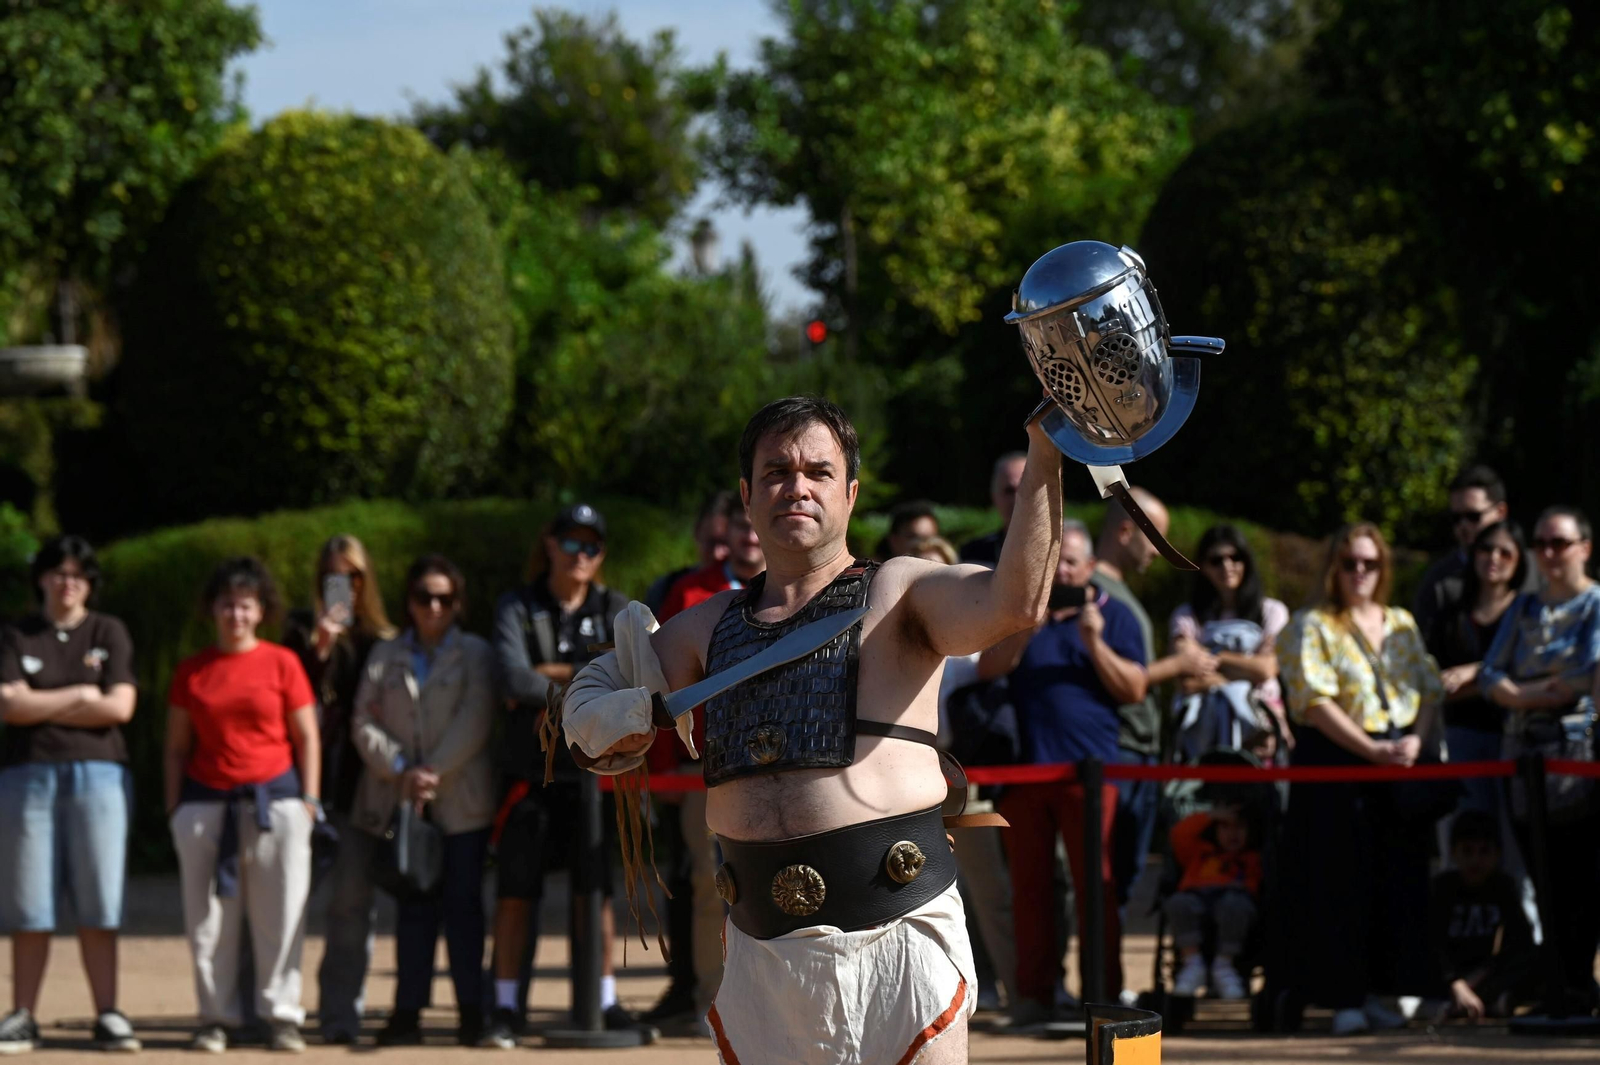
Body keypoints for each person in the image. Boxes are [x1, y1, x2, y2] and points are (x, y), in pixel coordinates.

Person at [561, 395, 1063, 1064]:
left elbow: (1016, 600)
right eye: (776, 471)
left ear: (851, 493)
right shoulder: (705, 626)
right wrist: (612, 721)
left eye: (817, 471)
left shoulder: (902, 592)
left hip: (898, 948)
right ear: (746, 496)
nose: (796, 485)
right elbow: (589, 700)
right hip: (760, 963)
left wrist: (1048, 450)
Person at [1274, 523, 1444, 1035]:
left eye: (1370, 563)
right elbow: (1313, 700)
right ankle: (1340, 995)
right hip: (1338, 765)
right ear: (1333, 568)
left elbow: (1429, 687)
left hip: (1398, 767)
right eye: (1350, 563)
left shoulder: (1402, 622)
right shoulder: (1311, 625)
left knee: (1398, 881)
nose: (1360, 573)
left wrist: (1414, 739)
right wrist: (1370, 749)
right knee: (1337, 885)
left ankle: (1385, 989)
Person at [484, 507, 635, 1048]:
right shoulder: (517, 605)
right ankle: (504, 1006)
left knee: (594, 892)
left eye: (592, 546)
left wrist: (551, 679)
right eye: (571, 543)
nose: (581, 556)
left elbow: (628, 675)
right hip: (529, 773)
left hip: (594, 776)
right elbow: (511, 677)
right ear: (549, 545)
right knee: (515, 892)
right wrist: (586, 683)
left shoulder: (614, 607)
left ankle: (603, 1001)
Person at [986, 520, 1147, 1017]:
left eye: (1072, 562)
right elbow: (987, 668)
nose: (1063, 572)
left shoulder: (1115, 616)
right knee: (1030, 889)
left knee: (1094, 887)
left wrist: (1095, 643)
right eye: (1055, 562)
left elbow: (1135, 689)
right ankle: (1034, 994)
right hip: (1024, 775)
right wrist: (1025, 630)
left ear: (1091, 567)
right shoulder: (1021, 615)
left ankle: (1104, 992)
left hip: (1091, 776)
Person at [165, 557, 319, 1054]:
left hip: (276, 803)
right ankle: (215, 1017)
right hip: (206, 806)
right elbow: (175, 747)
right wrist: (175, 810)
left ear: (261, 611)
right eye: (227, 604)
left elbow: (307, 736)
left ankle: (282, 1016)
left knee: (282, 915)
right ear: (213, 609)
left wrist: (310, 801)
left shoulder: (282, 663)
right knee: (209, 921)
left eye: (245, 605)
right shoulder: (193, 670)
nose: (236, 614)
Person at [0, 537, 140, 1055]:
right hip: (28, 774)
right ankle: (22, 1014)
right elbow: (8, 705)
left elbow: (121, 707)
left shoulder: (109, 631)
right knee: (28, 899)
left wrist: (41, 703)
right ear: (41, 578)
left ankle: (108, 1011)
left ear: (89, 583)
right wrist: (83, 695)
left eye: (78, 574)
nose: (68, 582)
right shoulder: (16, 633)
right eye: (58, 572)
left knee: (100, 897)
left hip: (99, 776)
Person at [644, 496, 766, 1031]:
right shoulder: (690, 593)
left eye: (752, 526)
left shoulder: (806, 592)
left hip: (781, 765)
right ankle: (710, 1002)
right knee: (706, 884)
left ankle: (771, 1003)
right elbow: (662, 686)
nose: (748, 535)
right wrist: (665, 766)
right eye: (739, 525)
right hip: (704, 767)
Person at [1478, 505, 1600, 1006]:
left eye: (1561, 543)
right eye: (1541, 543)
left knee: (1581, 874)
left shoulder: (1595, 604)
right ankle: (1557, 981)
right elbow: (1489, 676)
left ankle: (1576, 979)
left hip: (1577, 755)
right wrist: (1536, 693)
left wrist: (1521, 687)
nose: (1549, 553)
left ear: (1585, 548)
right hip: (1524, 757)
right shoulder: (1524, 609)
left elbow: (1589, 675)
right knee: (1539, 872)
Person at [279, 535, 396, 1045]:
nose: (342, 585)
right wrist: (317, 651)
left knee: (350, 906)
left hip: (353, 790)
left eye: (352, 576)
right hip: (291, 785)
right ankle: (265, 1009)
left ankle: (340, 1013)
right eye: (332, 575)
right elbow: (283, 704)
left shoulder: (382, 639)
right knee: (279, 905)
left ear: (365, 580)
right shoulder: (296, 634)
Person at [1092, 488, 1213, 904]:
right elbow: (1110, 678)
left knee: (1122, 882)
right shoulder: (1094, 592)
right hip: (1116, 755)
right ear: (1126, 531)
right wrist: (1177, 666)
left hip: (1136, 757)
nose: (1161, 553)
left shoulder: (1116, 592)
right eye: (1156, 539)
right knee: (1107, 884)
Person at [1424, 521, 1525, 815]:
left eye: (1505, 552)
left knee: (1514, 835)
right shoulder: (1451, 613)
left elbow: (1529, 672)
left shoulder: (1529, 610)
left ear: (1519, 560)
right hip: (1461, 738)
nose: (1493, 558)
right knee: (1467, 829)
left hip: (1516, 736)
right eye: (1485, 549)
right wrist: (1497, 683)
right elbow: (1437, 684)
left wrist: (1477, 672)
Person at [1168, 524, 1290, 761]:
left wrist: (1218, 658)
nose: (1227, 566)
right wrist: (1246, 668)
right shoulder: (1186, 616)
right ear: (1202, 566)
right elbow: (1187, 681)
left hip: (1259, 731)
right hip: (1202, 739)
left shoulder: (1272, 612)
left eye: (1235, 557)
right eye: (1216, 560)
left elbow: (1266, 669)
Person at [1428, 810, 1535, 1022]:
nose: (1475, 860)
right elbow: (1432, 943)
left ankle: (1485, 1001)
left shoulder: (1502, 886)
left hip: (1484, 974)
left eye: (1484, 852)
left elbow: (1520, 941)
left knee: (1539, 957)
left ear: (1497, 855)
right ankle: (1471, 1002)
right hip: (1446, 975)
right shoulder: (1442, 889)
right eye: (1467, 851)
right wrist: (1455, 982)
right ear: (1453, 853)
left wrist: (1484, 971)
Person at [1413, 466, 1533, 637]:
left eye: (1473, 516)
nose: (1463, 526)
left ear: (1500, 512)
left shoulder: (1538, 572)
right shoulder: (1438, 584)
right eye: (1456, 518)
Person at [1165, 802, 1263, 1000]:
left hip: (1233, 901)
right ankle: (1193, 964)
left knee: (1235, 906)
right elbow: (1178, 834)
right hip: (1197, 898)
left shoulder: (1252, 859)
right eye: (1225, 827)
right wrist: (1211, 815)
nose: (1232, 834)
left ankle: (1224, 967)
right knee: (1178, 903)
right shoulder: (1200, 852)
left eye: (1239, 828)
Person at [645, 492, 733, 615]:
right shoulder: (667, 589)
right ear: (696, 533)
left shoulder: (755, 592)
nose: (717, 553)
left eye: (725, 544)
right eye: (710, 542)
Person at [959, 452, 1026, 565]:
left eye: (1024, 489)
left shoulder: (1060, 548)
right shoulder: (973, 554)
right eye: (1009, 491)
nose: (1016, 499)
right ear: (994, 496)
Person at [876, 500, 940, 560]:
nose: (921, 545)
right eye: (913, 538)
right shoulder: (874, 570)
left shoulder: (945, 568)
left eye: (929, 538)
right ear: (894, 540)